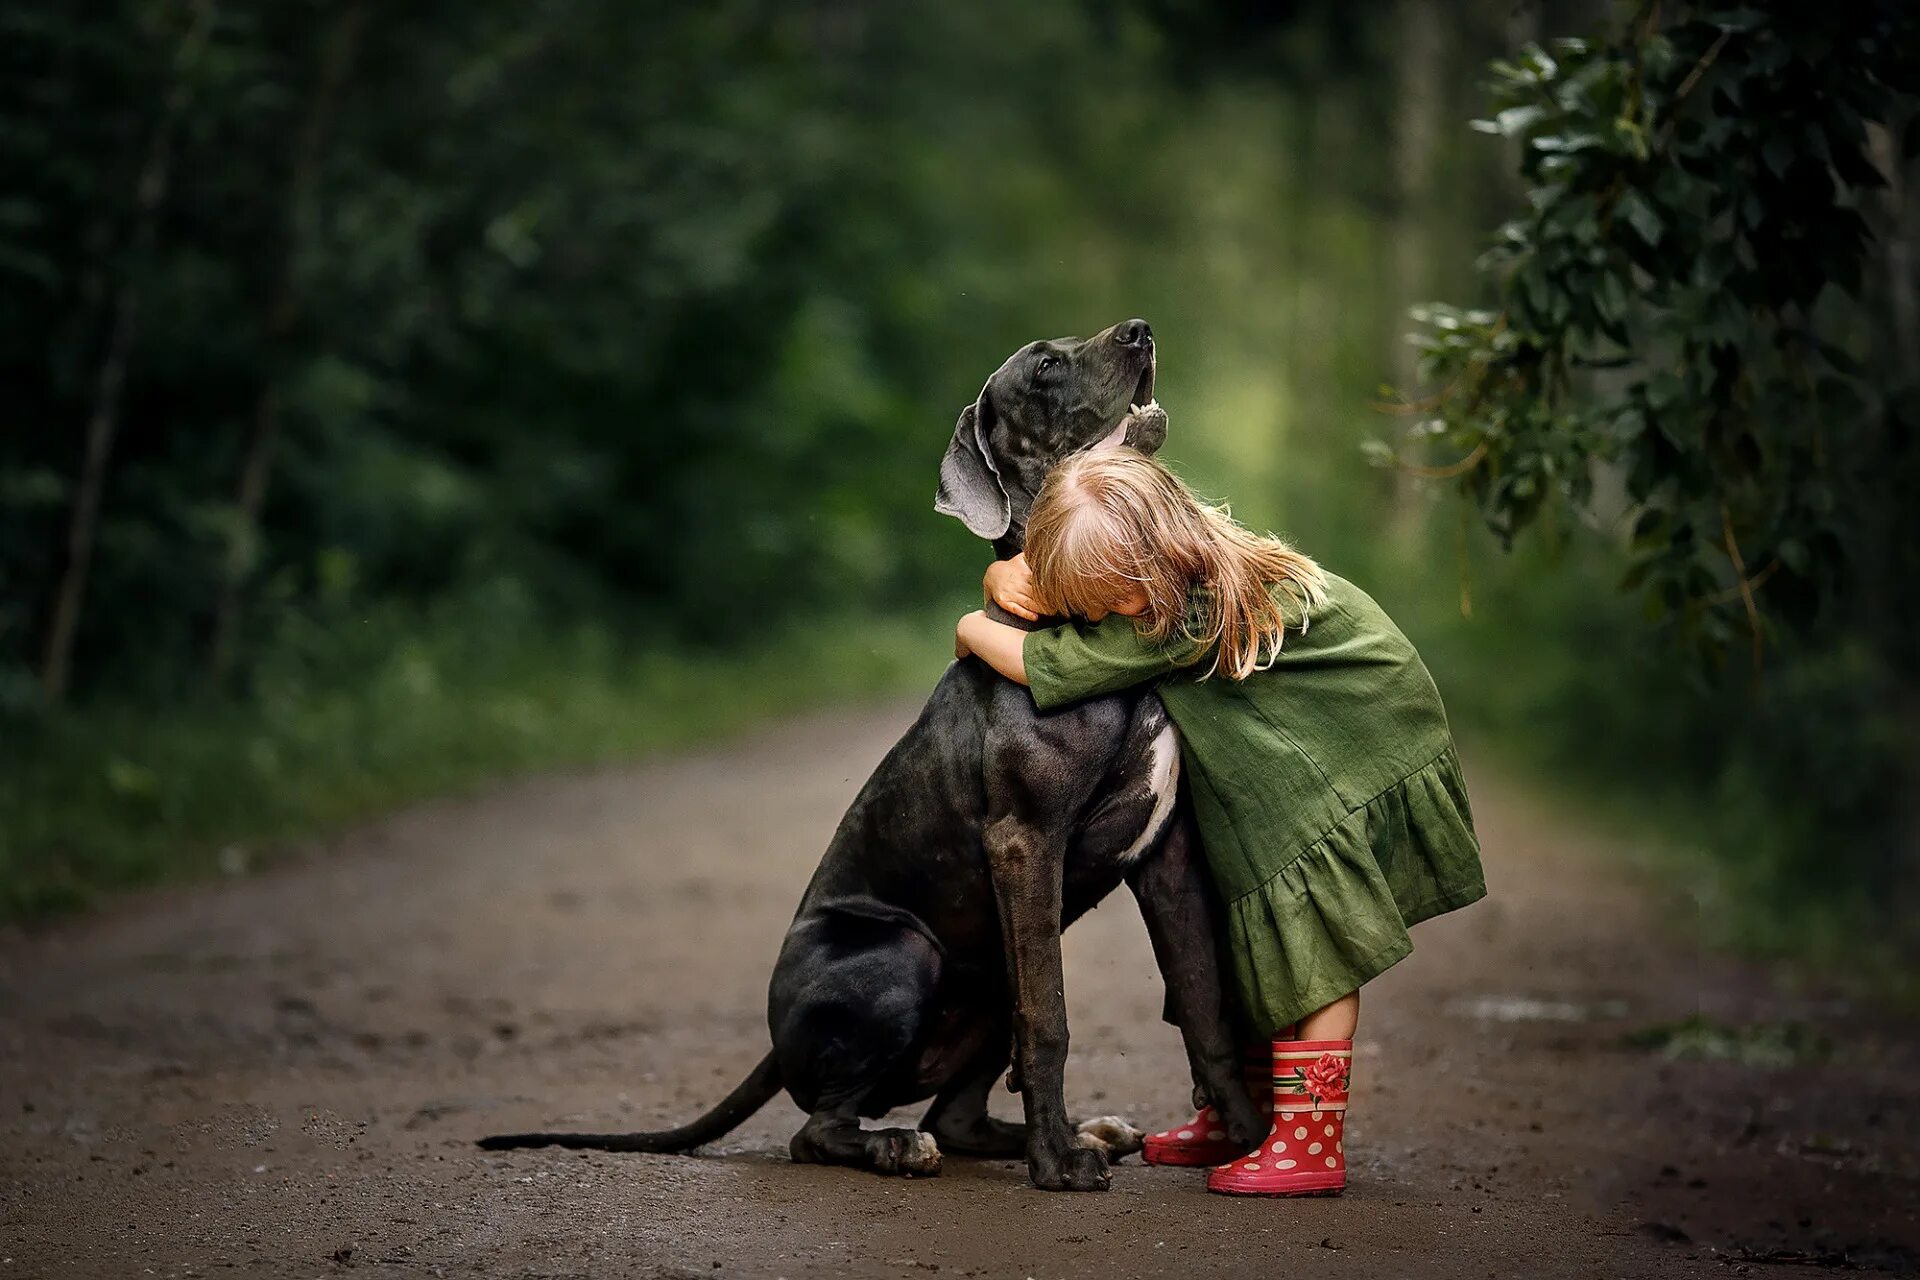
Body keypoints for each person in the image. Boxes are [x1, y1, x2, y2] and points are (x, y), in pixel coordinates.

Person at [953, 447, 1487, 1197]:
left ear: (1155, 555)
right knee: (1256, 942)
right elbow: (1068, 611)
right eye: (1093, 603)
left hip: (1349, 742)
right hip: (1290, 755)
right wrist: (998, 574)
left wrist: (971, 627)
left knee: (1318, 953)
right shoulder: (1178, 568)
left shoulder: (1185, 610)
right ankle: (1254, 1112)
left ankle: (1310, 1143)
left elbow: (1054, 666)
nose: (1106, 617)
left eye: (1113, 599)